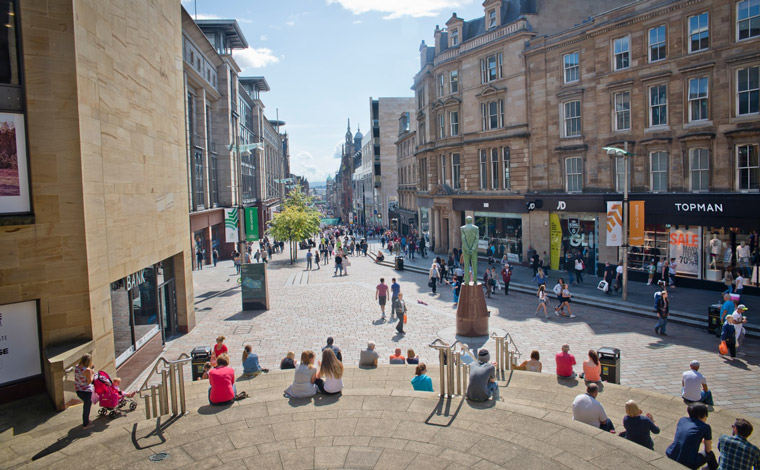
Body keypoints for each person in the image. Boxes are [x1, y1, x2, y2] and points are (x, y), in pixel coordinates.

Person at [666, 403, 718, 470]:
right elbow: (708, 450)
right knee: (710, 454)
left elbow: (686, 436)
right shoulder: (705, 427)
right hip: (688, 463)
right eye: (706, 415)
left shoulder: (682, 420)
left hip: (671, 454)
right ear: (702, 415)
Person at [74, 353, 96, 429]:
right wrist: (92, 372)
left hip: (78, 390)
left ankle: (86, 420)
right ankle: (86, 424)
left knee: (86, 406)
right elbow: (89, 381)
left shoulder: (77, 367)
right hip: (86, 391)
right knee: (87, 407)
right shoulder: (87, 370)